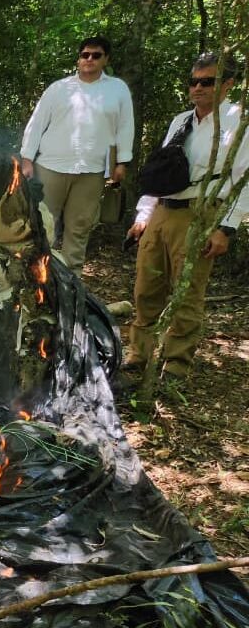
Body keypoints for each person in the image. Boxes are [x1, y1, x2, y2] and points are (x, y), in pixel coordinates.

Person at [124, 52, 249, 384]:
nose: (197, 88)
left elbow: (243, 181)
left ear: (228, 84)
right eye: (193, 81)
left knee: (187, 290)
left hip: (199, 212)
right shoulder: (181, 120)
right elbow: (161, 171)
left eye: (207, 82)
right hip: (163, 210)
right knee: (146, 287)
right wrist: (144, 214)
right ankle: (138, 356)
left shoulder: (239, 123)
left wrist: (226, 227)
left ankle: (176, 364)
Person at [20, 36, 136, 274]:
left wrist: (122, 162)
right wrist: (27, 159)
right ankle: (35, 276)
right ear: (79, 58)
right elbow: (36, 122)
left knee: (80, 227)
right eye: (85, 55)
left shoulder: (118, 89)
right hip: (50, 166)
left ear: (106, 59)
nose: (89, 59)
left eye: (96, 55)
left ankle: (71, 279)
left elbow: (125, 126)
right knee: (42, 223)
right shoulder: (59, 88)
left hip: (92, 170)